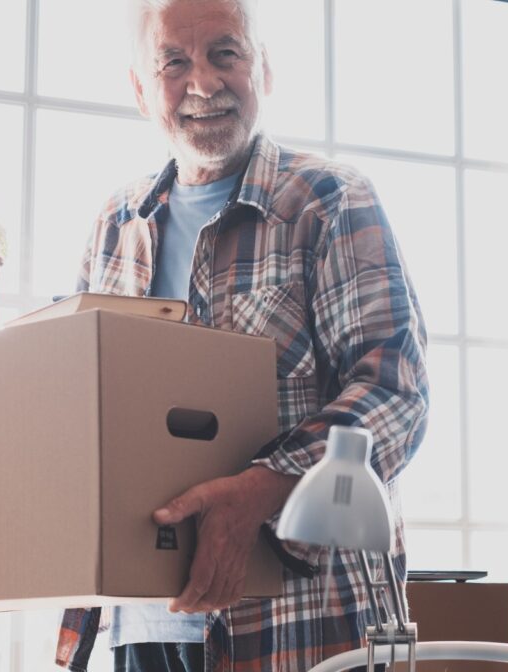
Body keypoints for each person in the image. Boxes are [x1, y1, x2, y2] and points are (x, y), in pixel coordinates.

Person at [55, 0, 429, 670]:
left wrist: (260, 491)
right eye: (174, 61)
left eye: (225, 53)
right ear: (141, 89)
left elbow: (393, 396)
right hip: (143, 625)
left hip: (299, 622)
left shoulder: (329, 199)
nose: (203, 83)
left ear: (263, 69)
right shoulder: (115, 225)